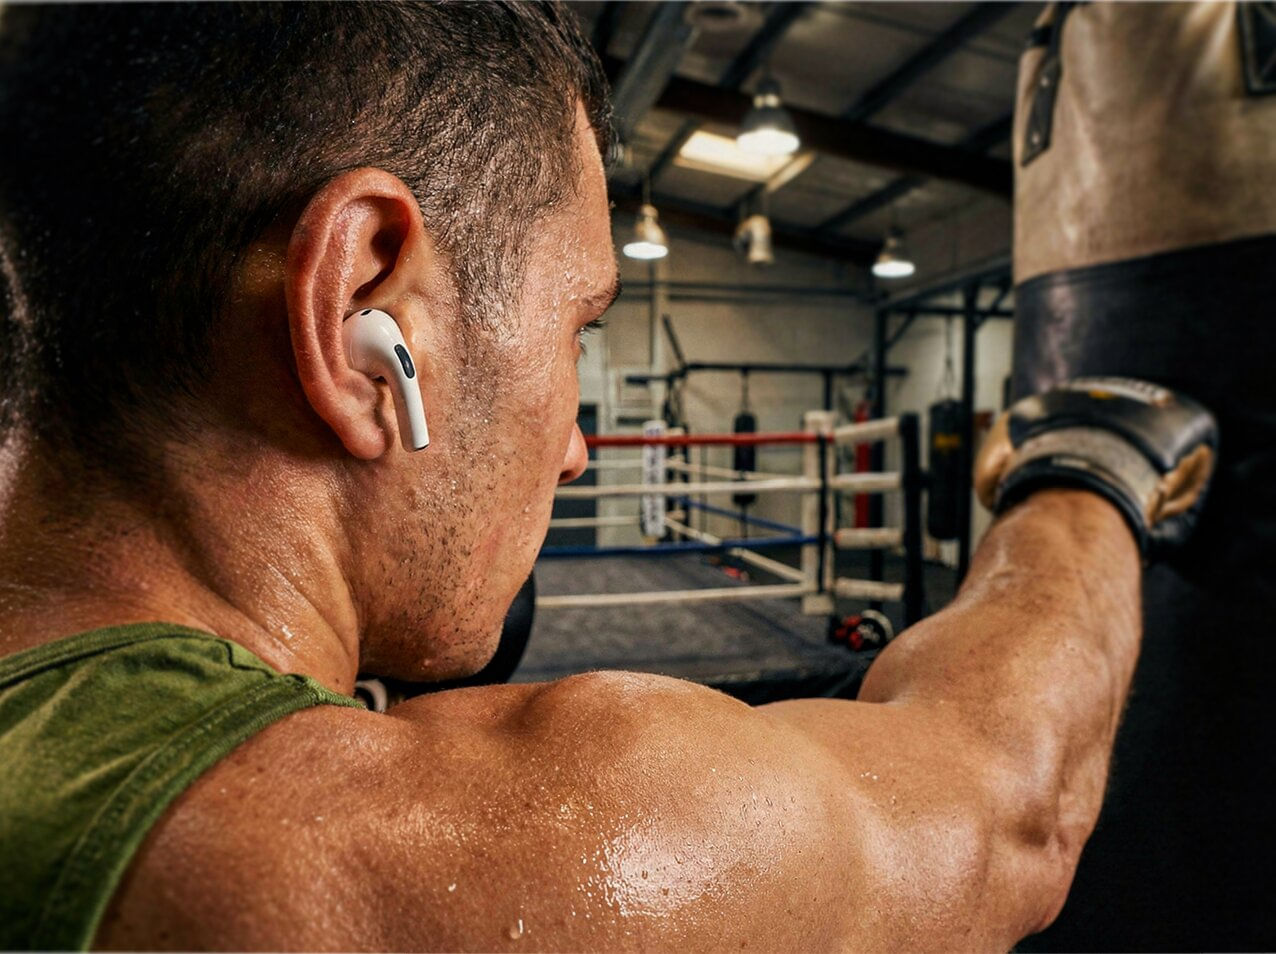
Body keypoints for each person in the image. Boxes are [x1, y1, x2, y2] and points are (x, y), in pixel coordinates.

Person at [0, 4, 1216, 951]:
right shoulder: (357, 856)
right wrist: (1086, 462)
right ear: (367, 319)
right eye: (578, 324)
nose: (576, 443)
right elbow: (1008, 805)